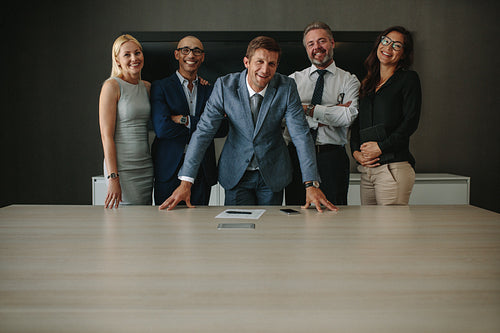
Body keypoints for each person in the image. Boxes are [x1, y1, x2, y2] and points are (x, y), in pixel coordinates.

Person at [160, 36, 337, 212]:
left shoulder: (287, 87)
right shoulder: (224, 86)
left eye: (272, 64)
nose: (265, 69)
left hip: (272, 173)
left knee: (268, 233)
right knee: (237, 234)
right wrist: (186, 182)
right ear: (246, 62)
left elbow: (300, 135)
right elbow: (203, 133)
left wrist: (311, 184)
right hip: (236, 173)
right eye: (259, 62)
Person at [284, 21, 360, 206]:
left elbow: (348, 116)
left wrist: (305, 109)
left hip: (332, 158)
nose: (317, 47)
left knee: (335, 212)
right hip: (297, 157)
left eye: (322, 41)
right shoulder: (292, 81)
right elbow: (283, 116)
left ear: (332, 43)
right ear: (306, 49)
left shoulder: (349, 80)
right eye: (311, 44)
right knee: (296, 212)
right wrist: (334, 111)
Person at [151, 36, 228, 206]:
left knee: (199, 225)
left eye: (196, 51)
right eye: (185, 50)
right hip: (169, 168)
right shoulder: (161, 87)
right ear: (177, 54)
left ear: (202, 57)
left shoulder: (211, 89)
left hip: (202, 168)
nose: (191, 55)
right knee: (166, 224)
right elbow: (163, 128)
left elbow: (222, 128)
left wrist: (184, 120)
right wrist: (205, 126)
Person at [350, 26, 421, 205]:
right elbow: (358, 123)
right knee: (368, 231)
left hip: (393, 168)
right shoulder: (367, 83)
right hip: (367, 171)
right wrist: (355, 152)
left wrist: (381, 147)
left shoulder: (408, 79)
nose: (388, 48)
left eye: (397, 46)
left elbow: (410, 122)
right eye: (386, 41)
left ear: (404, 54)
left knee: (391, 231)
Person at [99, 34, 153, 208]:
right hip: (122, 169)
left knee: (144, 224)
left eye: (137, 53)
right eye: (127, 55)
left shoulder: (147, 87)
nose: (134, 58)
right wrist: (113, 177)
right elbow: (106, 136)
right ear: (117, 59)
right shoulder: (112, 86)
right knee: (124, 226)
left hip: (145, 167)